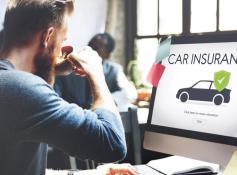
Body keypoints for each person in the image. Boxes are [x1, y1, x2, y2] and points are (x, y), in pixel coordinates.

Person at [0, 0, 138, 175]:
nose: (62, 49)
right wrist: (96, 71)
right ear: (47, 36)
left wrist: (92, 173)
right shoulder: (20, 89)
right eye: (62, 39)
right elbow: (113, 143)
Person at [54, 33, 137, 111]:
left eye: (95, 48)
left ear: (107, 55)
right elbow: (55, 99)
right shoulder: (67, 69)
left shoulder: (114, 70)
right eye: (89, 45)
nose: (90, 50)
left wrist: (105, 101)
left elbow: (130, 94)